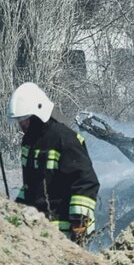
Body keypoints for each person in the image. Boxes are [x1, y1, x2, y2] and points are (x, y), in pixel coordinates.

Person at [10, 82, 100, 246]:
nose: (23, 126)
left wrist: (79, 223)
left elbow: (86, 182)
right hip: (40, 229)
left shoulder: (65, 139)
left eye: (25, 121)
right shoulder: (30, 142)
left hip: (65, 229)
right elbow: (31, 184)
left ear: (39, 112)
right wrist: (17, 209)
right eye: (20, 121)